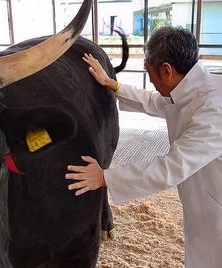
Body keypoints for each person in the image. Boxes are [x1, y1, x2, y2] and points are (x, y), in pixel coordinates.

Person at [65, 26, 222, 268]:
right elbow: (160, 102)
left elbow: (171, 167)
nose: (151, 82)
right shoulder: (197, 87)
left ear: (167, 70)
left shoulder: (213, 108)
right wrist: (112, 85)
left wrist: (105, 177)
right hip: (206, 199)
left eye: (151, 75)